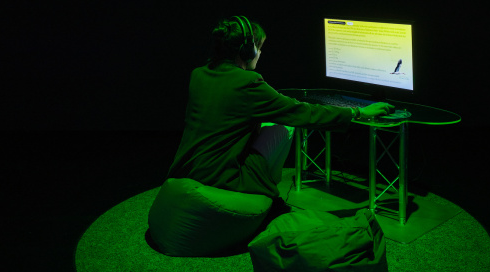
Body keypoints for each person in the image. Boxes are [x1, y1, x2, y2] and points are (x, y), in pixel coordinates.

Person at [167, 16, 394, 202]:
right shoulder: (248, 83)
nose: (261, 53)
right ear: (247, 51)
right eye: (259, 47)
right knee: (284, 126)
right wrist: (358, 112)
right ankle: (263, 193)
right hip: (221, 178)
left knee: (264, 123)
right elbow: (303, 113)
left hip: (186, 170)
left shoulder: (198, 74)